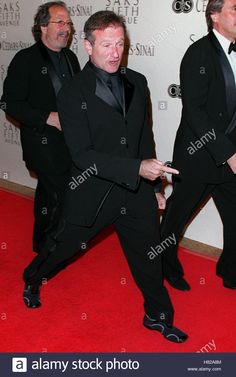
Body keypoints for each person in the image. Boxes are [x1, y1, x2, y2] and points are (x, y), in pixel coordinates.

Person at [22, 10, 188, 343]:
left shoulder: (137, 81)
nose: (115, 52)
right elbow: (82, 155)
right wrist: (136, 169)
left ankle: (156, 316)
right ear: (87, 46)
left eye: (120, 44)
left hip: (136, 190)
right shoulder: (72, 94)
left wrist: (153, 185)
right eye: (106, 45)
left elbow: (144, 137)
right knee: (62, 247)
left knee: (148, 254)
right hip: (93, 192)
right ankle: (33, 276)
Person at [161, 0, 236, 291]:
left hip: (229, 155)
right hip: (198, 156)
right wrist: (227, 153)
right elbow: (196, 112)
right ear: (214, 16)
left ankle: (230, 270)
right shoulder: (198, 54)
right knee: (176, 217)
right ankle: (164, 266)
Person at [1, 1, 80, 253]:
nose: (66, 28)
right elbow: (9, 103)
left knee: (53, 193)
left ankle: (47, 242)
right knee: (57, 192)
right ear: (43, 26)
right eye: (60, 22)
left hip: (72, 142)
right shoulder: (25, 59)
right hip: (42, 142)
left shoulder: (70, 57)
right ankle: (47, 245)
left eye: (68, 23)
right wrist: (48, 116)